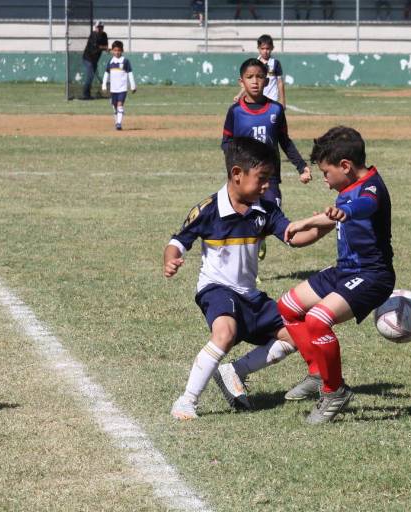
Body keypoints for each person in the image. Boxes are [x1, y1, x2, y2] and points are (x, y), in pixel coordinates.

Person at [165, 138, 331, 420]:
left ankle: (234, 371)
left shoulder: (264, 209)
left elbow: (294, 237)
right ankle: (186, 400)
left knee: (297, 336)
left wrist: (324, 225)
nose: (267, 186)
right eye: (262, 179)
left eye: (269, 179)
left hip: (250, 295)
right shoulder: (209, 209)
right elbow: (178, 241)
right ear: (237, 174)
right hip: (216, 289)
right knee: (225, 334)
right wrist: (170, 258)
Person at [275, 126, 395, 424]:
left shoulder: (370, 188)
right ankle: (318, 373)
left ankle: (334, 391)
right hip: (345, 270)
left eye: (327, 174)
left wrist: (309, 220)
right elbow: (333, 219)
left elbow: (363, 206)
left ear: (346, 166)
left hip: (372, 275)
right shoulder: (345, 190)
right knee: (287, 308)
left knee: (317, 319)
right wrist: (301, 233)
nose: (326, 182)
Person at [223, 58, 312, 262]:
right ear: (241, 82)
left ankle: (260, 239)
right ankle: (248, 267)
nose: (255, 81)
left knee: (269, 215)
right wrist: (234, 167)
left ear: (267, 81)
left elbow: (285, 142)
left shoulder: (275, 110)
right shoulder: (235, 112)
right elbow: (226, 142)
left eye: (260, 77)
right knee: (243, 220)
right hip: (243, 177)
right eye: (250, 77)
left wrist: (302, 167)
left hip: (269, 178)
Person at [234, 34, 287, 108]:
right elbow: (248, 83)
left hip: (272, 98)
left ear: (272, 48)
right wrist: (239, 95)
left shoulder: (275, 63)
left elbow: (280, 83)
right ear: (258, 48)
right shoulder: (255, 64)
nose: (265, 51)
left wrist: (282, 101)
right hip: (258, 98)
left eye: (267, 48)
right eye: (262, 48)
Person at [101, 41, 136, 131]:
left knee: (120, 105)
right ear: (112, 51)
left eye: (119, 50)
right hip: (113, 89)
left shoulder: (125, 61)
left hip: (122, 88)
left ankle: (119, 124)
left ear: (122, 51)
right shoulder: (111, 61)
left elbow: (130, 73)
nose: (117, 52)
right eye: (115, 50)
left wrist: (133, 85)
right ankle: (117, 121)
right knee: (114, 106)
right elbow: (106, 73)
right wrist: (104, 85)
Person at [81, 21, 109, 100]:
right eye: (98, 27)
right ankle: (86, 94)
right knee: (90, 76)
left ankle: (88, 94)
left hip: (95, 60)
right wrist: (103, 48)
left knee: (92, 77)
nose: (99, 29)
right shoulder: (93, 35)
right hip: (88, 59)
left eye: (101, 27)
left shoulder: (104, 35)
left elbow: (106, 46)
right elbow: (95, 47)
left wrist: (105, 48)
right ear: (95, 27)